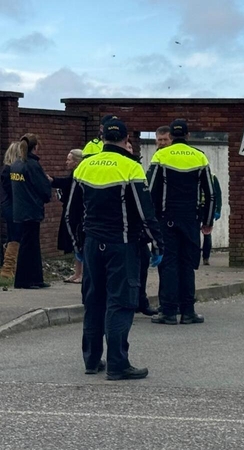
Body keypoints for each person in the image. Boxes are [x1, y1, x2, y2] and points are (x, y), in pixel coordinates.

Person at [66, 118, 164, 380]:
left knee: (93, 300)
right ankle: (118, 364)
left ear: (104, 138)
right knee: (120, 302)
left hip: (91, 245)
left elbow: (70, 213)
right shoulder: (131, 167)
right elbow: (146, 213)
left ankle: (91, 360)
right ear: (125, 139)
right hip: (122, 245)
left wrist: (77, 246)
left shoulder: (84, 165)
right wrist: (157, 244)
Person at [148, 119, 214, 325]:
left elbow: (151, 191)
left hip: (167, 218)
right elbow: (210, 193)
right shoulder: (200, 157)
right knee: (187, 264)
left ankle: (168, 312)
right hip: (191, 219)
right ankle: (188, 311)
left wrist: (152, 220)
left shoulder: (160, 155)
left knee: (169, 264)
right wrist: (208, 220)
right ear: (187, 136)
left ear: (172, 136)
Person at [136, 127, 170, 316]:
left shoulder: (163, 160)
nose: (162, 143)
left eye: (165, 139)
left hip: (160, 219)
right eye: (159, 140)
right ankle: (139, 300)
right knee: (141, 262)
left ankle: (165, 302)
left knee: (160, 262)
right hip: (147, 220)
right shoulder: (154, 160)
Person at [11, 134, 51, 289]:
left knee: (30, 245)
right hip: (31, 210)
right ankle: (25, 281)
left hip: (20, 210)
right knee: (30, 247)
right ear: (36, 147)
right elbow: (43, 188)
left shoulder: (16, 164)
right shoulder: (32, 165)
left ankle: (35, 279)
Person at [49, 149, 84, 283]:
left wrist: (53, 181)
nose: (66, 162)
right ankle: (77, 273)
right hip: (70, 211)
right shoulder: (73, 173)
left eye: (69, 160)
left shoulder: (80, 174)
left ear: (76, 162)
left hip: (78, 213)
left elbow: (67, 184)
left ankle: (83, 274)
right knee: (75, 244)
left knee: (80, 243)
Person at [0, 142, 23, 279]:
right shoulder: (9, 170)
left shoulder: (6, 169)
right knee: (15, 236)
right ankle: (8, 268)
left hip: (9, 206)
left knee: (12, 236)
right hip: (12, 207)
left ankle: (10, 268)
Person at [201, 174, 223, 266]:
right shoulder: (211, 177)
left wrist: (218, 210)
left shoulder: (213, 178)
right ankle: (201, 257)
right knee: (200, 234)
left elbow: (218, 195)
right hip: (199, 208)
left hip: (207, 209)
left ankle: (206, 257)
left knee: (207, 233)